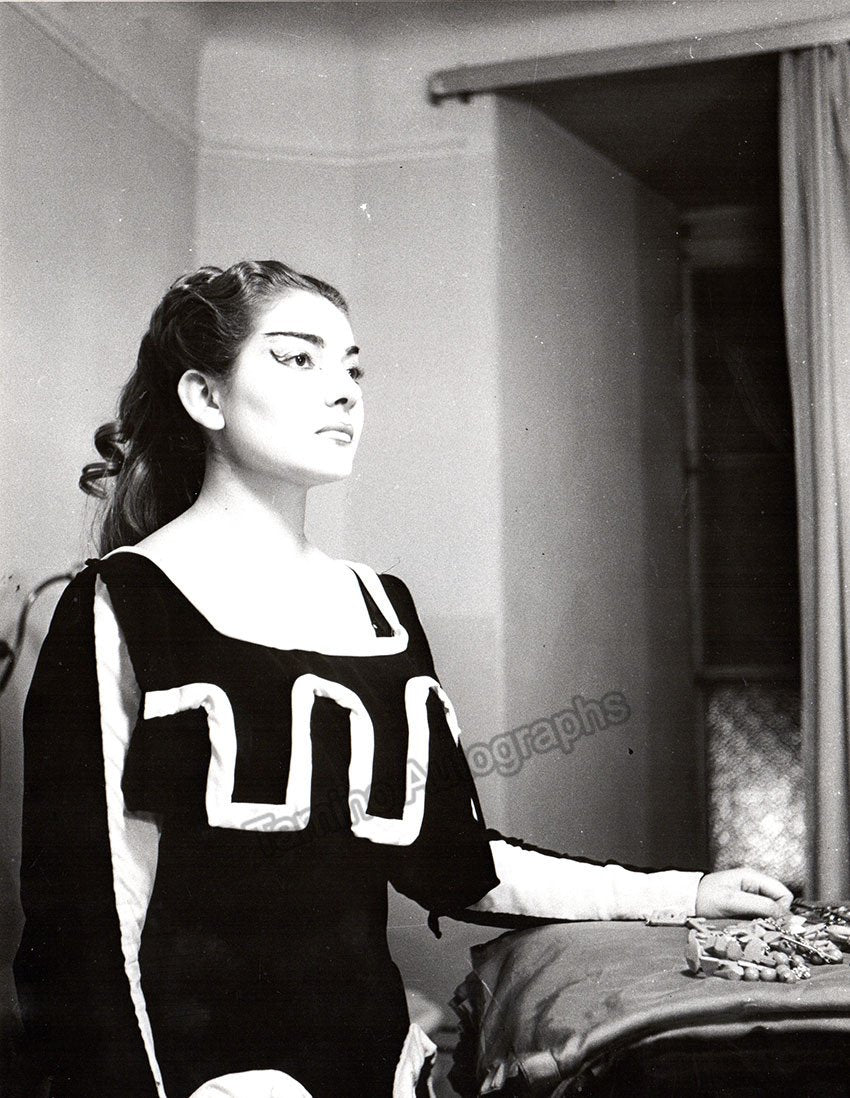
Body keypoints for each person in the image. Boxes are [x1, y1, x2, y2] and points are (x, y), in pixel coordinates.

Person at [14, 260, 792, 1098]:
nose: (343, 392)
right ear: (205, 397)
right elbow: (88, 923)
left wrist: (687, 892)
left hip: (379, 1070)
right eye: (297, 358)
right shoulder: (122, 601)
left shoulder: (380, 604)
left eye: (353, 368)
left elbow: (460, 866)